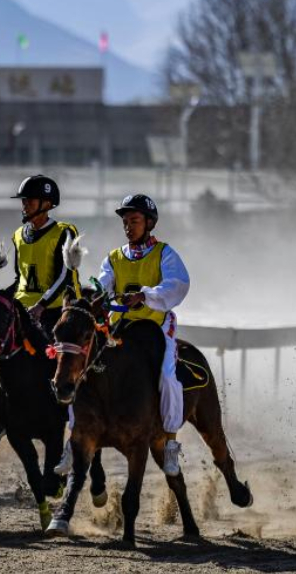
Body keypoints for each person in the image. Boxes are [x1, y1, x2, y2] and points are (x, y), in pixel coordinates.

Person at [0, 174, 81, 450]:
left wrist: (42, 305)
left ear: (46, 203)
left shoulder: (64, 232)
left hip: (55, 312)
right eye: (23, 200)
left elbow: (65, 276)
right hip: (23, 310)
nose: (24, 205)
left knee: (55, 363)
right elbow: (20, 278)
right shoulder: (17, 236)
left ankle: (68, 418)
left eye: (29, 200)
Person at [96, 194, 190, 476]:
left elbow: (178, 285)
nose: (128, 226)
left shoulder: (165, 253)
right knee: (87, 369)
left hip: (156, 328)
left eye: (134, 220)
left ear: (149, 222)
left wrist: (145, 296)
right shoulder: (113, 257)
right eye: (125, 221)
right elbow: (102, 285)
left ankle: (170, 444)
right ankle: (75, 436)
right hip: (121, 329)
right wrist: (97, 296)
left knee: (167, 375)